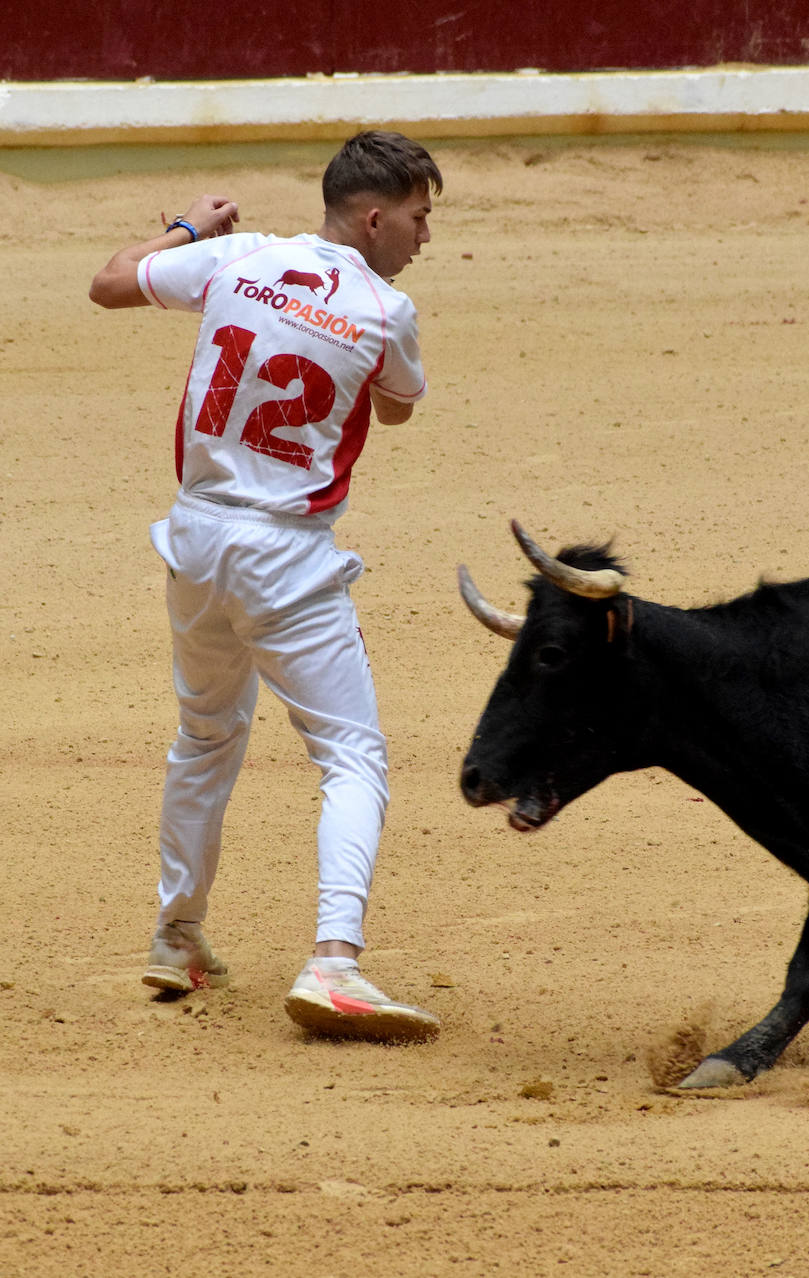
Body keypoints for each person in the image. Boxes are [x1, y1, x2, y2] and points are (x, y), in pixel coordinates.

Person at [89, 130, 444, 1042]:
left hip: (197, 537)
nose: (424, 235)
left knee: (205, 735)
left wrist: (184, 228)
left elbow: (111, 280)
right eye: (417, 215)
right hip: (286, 553)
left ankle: (177, 938)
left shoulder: (239, 258)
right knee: (353, 755)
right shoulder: (386, 308)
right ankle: (335, 964)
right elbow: (397, 406)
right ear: (373, 216)